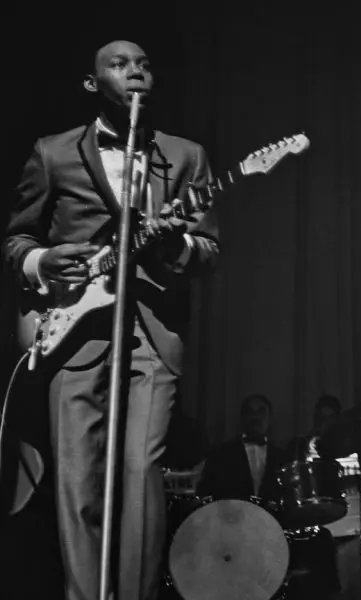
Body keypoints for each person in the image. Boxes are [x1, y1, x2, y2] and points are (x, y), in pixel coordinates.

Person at [2, 40, 220, 600]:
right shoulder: (52, 153)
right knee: (77, 482)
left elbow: (209, 249)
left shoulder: (185, 156)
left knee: (139, 473)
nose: (136, 72)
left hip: (153, 327)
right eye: (120, 65)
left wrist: (175, 249)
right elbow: (16, 240)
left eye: (145, 64)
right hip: (73, 332)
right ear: (92, 83)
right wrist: (41, 261)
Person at [197, 394, 285, 502]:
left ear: (270, 417)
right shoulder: (221, 453)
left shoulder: (282, 457)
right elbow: (208, 492)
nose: (255, 417)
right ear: (242, 417)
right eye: (250, 412)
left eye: (261, 412)